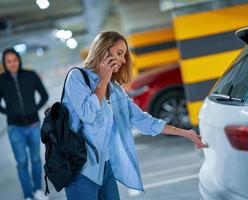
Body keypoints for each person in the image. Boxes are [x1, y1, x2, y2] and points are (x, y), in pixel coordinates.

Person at [63, 31, 207, 200]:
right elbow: (88, 114)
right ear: (103, 51)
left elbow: (142, 119)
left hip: (105, 167)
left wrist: (184, 132)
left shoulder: (114, 88)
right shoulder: (77, 78)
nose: (123, 60)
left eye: (123, 55)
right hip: (81, 170)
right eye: (119, 53)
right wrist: (103, 80)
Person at [0, 48, 49, 200]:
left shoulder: (30, 75)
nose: (12, 64)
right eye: (9, 61)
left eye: (15, 60)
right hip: (15, 128)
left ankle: (38, 191)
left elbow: (44, 95)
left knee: (35, 159)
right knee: (21, 162)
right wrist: (9, 113)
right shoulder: (1, 80)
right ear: (4, 63)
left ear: (19, 60)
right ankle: (28, 195)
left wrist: (33, 108)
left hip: (33, 125)